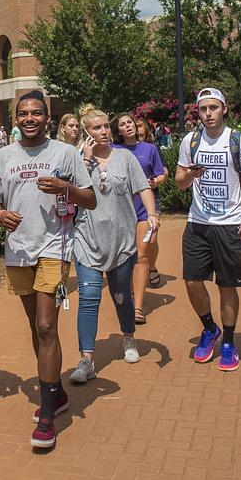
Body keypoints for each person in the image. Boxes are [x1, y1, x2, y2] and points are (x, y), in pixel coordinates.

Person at [0, 90, 95, 450]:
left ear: (47, 118)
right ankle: (56, 392)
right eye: (24, 114)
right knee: (36, 326)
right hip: (19, 250)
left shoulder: (65, 153)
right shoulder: (3, 156)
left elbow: (90, 199)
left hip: (55, 247)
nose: (30, 119)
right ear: (16, 119)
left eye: (37, 114)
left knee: (46, 325)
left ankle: (47, 414)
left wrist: (66, 187)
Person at [175, 87, 241, 373]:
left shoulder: (238, 141)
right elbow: (179, 182)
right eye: (203, 109)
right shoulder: (191, 140)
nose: (208, 114)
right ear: (197, 112)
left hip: (230, 224)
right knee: (191, 281)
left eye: (213, 108)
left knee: (227, 286)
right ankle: (209, 329)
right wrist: (189, 174)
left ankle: (229, 342)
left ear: (224, 109)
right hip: (198, 223)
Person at [69, 104, 157, 384]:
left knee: (121, 297)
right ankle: (87, 360)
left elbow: (143, 187)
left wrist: (152, 215)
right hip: (87, 240)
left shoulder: (125, 158)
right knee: (89, 299)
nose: (105, 131)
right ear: (87, 132)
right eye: (97, 128)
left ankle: (128, 338)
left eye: (107, 126)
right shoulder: (76, 159)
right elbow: (70, 191)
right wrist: (84, 159)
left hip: (121, 241)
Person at [111, 112, 168, 324]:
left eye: (130, 122)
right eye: (123, 124)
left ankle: (138, 308)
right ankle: (128, 288)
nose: (128, 126)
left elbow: (161, 173)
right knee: (124, 255)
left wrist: (154, 182)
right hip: (121, 210)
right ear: (117, 131)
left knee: (142, 253)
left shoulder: (149, 149)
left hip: (144, 208)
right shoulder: (114, 151)